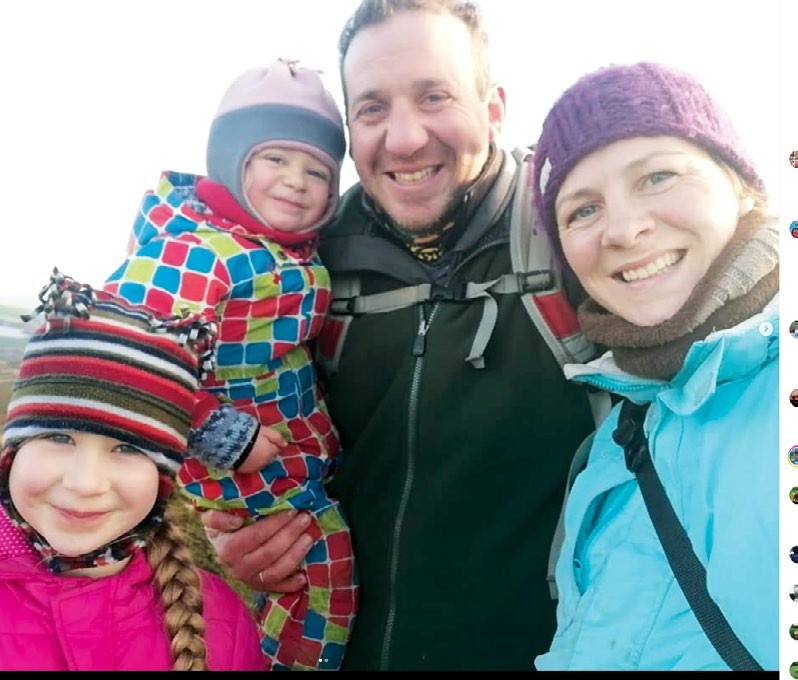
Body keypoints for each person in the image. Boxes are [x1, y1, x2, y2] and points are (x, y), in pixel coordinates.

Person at [201, 0, 597, 672]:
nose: (405, 138)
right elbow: (246, 420)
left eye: (434, 95)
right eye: (373, 108)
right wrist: (243, 533)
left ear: (494, 108)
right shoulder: (304, 272)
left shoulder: (577, 240)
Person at [102, 59, 356, 671]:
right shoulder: (199, 251)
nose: (296, 181)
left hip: (290, 452)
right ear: (232, 160)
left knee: (301, 575)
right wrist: (218, 432)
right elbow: (126, 350)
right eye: (274, 160)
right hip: (246, 460)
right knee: (323, 575)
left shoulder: (278, 247)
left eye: (317, 171)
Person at [530, 62, 777, 670]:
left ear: (741, 185)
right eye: (582, 210)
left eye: (658, 176)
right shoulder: (620, 437)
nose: (625, 229)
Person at [0, 271, 264, 671]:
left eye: (127, 448)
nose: (85, 484)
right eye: (58, 438)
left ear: (163, 479)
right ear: (12, 453)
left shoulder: (221, 620)